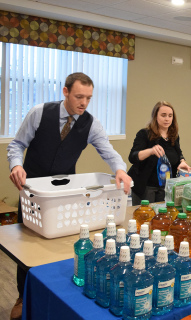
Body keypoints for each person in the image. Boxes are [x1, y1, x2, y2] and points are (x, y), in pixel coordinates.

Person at [6, 72, 132, 320]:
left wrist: (120, 170)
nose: (84, 103)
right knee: (27, 249)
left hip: (65, 195)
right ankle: (23, 296)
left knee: (60, 247)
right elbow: (17, 144)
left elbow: (108, 151)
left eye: (88, 97)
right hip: (33, 193)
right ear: (65, 92)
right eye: (78, 96)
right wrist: (16, 165)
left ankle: (56, 298)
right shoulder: (40, 112)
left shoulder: (91, 124)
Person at [128, 101, 191, 205]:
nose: (167, 119)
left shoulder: (174, 136)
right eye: (163, 115)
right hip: (145, 186)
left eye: (170, 116)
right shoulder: (144, 134)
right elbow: (133, 157)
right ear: (155, 116)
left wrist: (182, 161)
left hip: (165, 186)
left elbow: (178, 153)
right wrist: (150, 151)